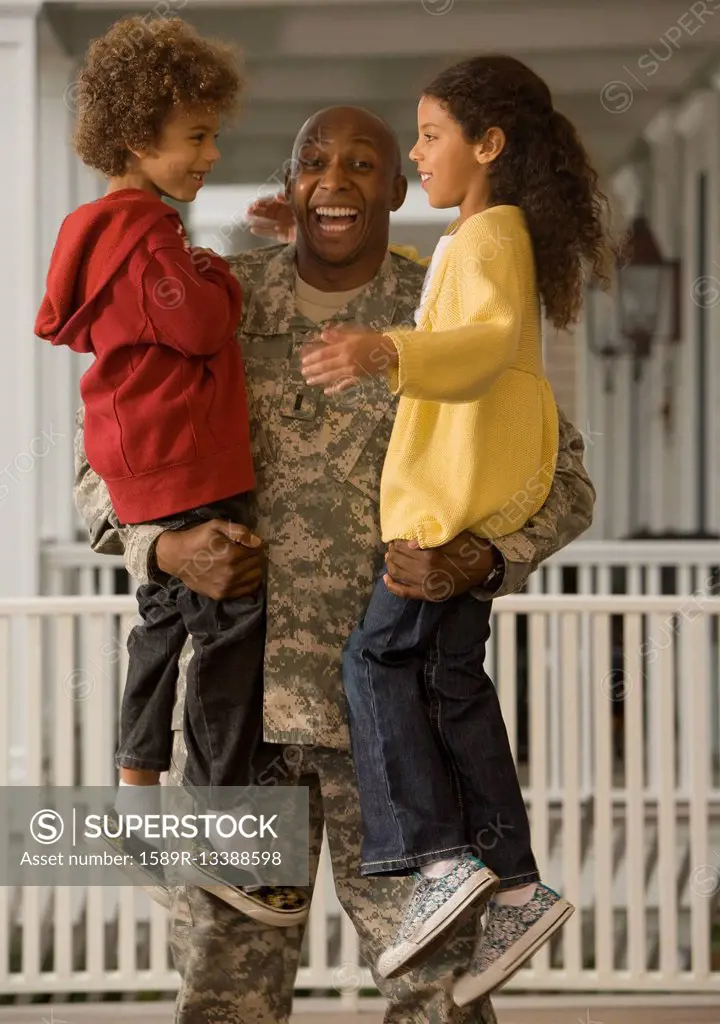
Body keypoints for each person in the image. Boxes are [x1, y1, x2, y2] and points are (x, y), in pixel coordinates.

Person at [74, 105, 596, 1024]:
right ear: (290, 183)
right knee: (224, 996)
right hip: (241, 722)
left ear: (397, 189)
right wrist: (162, 546)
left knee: (438, 997)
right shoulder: (210, 301)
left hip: (396, 738)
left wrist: (480, 556)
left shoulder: (442, 313)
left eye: (364, 164)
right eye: (314, 161)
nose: (336, 181)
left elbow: (560, 475)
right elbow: (102, 458)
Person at [298, 56, 613, 1003]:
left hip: (441, 519)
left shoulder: (482, 240)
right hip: (458, 509)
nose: (421, 151)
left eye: (430, 135)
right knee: (451, 684)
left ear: (489, 145)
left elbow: (476, 353)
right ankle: (513, 881)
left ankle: (440, 858)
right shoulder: (488, 237)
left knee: (374, 664)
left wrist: (383, 348)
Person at [35, 15, 308, 926]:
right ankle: (225, 837)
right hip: (192, 463)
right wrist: (218, 276)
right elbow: (196, 324)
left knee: (161, 626)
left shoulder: (94, 234)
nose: (210, 151)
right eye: (195, 136)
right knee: (230, 641)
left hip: (142, 466)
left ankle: (136, 793)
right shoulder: (150, 232)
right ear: (135, 138)